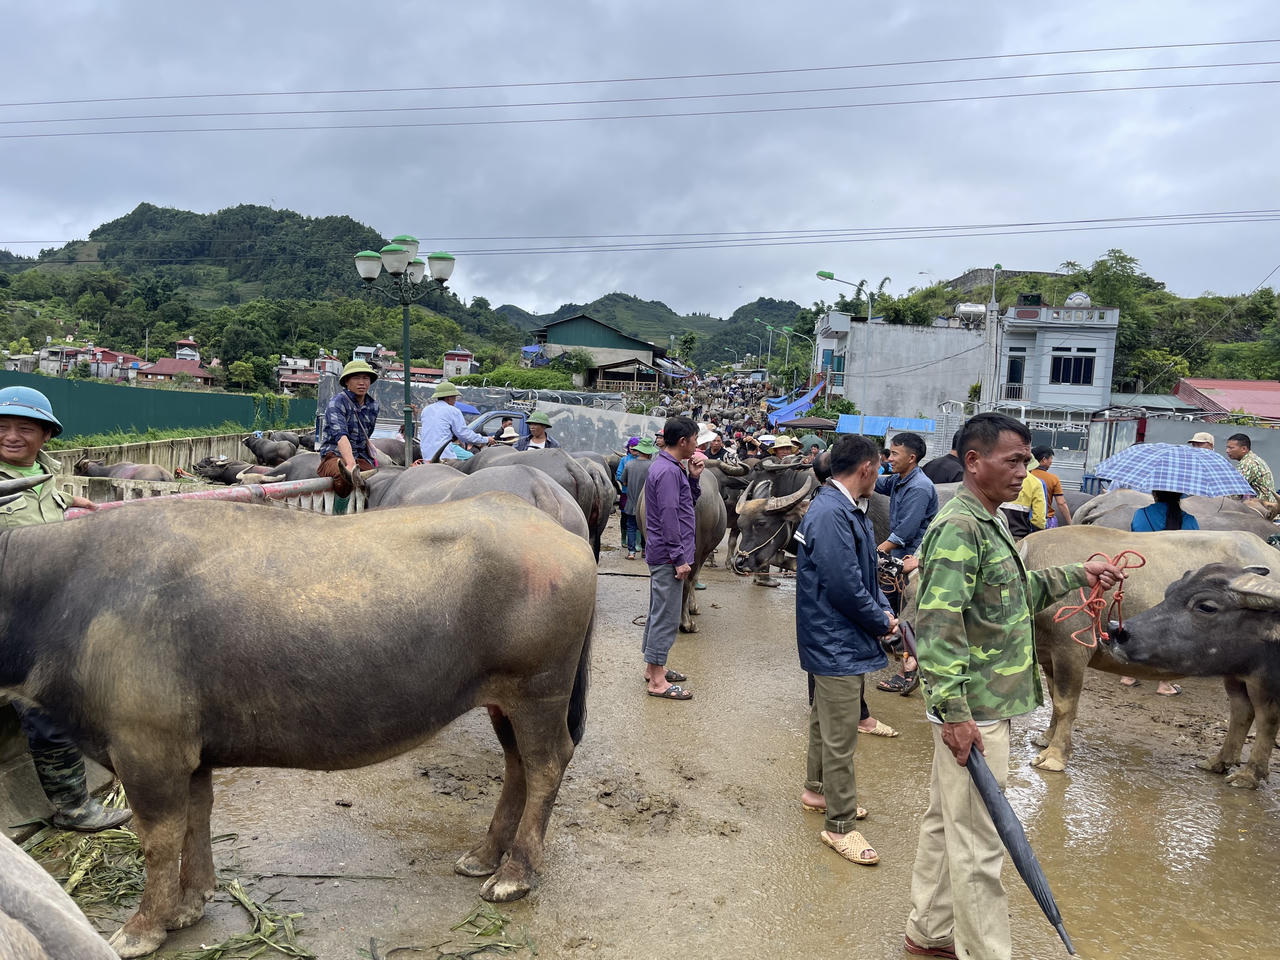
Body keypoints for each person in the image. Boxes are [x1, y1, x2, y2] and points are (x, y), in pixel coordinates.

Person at [904, 412, 1125, 960]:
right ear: (973, 461)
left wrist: (1081, 573)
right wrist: (955, 714)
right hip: (974, 712)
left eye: (1027, 460)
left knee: (945, 823)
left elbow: (1015, 590)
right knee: (982, 844)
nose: (1023, 471)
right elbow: (937, 624)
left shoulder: (992, 520)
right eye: (1014, 460)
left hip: (982, 706)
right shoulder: (959, 527)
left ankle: (929, 930)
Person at [0, 386, 133, 832]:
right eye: (1, 428)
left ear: (45, 436)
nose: (11, 436)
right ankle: (74, 808)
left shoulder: (44, 474)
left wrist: (69, 501)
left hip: (45, 614)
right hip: (9, 622)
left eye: (24, 428)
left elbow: (39, 510)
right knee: (46, 712)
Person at [795, 434, 898, 867]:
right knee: (841, 735)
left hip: (832, 636)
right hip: (835, 638)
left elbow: (863, 577)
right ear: (867, 468)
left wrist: (884, 610)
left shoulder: (836, 507)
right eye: (880, 466)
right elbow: (845, 586)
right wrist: (882, 622)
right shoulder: (834, 513)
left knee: (824, 720)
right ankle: (839, 825)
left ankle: (816, 791)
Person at [642, 416, 703, 700]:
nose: (696, 445)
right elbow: (669, 517)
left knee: (659, 612)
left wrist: (693, 478)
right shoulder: (666, 472)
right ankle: (657, 681)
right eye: (694, 440)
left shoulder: (672, 467)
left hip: (666, 553)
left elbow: (685, 504)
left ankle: (654, 667)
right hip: (668, 555)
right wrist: (679, 558)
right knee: (666, 616)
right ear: (682, 441)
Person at [873, 432, 939, 697]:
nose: (889, 459)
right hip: (901, 557)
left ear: (911, 458)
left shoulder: (919, 487)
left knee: (905, 616)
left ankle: (908, 669)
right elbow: (877, 484)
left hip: (913, 560)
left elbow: (905, 532)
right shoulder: (900, 480)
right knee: (895, 610)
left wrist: (877, 551)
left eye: (894, 454)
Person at [1122, 489, 1197, 695]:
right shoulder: (1189, 520)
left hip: (1142, 576)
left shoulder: (1141, 514)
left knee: (1136, 623)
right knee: (1170, 630)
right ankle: (1164, 683)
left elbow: (1133, 540)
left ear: (1155, 493)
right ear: (1180, 496)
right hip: (1173, 580)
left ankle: (1128, 674)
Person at [318, 360, 380, 515]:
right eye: (356, 378)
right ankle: (338, 515)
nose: (362, 383)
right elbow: (341, 436)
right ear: (346, 381)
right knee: (344, 475)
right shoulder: (337, 403)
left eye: (366, 378)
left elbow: (367, 435)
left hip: (361, 456)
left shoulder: (373, 406)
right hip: (335, 455)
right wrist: (351, 464)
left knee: (381, 479)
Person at [420, 382, 492, 461]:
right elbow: (464, 435)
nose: (455, 401)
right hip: (445, 457)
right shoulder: (453, 410)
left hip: (426, 457)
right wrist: (487, 439)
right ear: (448, 398)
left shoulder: (426, 410)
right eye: (454, 398)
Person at [621, 437, 656, 559]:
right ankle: (645, 551)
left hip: (631, 502)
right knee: (646, 527)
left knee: (631, 527)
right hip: (648, 505)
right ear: (649, 452)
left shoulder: (629, 464)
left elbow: (623, 482)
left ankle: (631, 552)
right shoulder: (653, 466)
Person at [1225, 433, 1275, 502]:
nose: (1227, 451)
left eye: (1231, 448)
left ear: (1244, 449)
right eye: (1227, 447)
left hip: (1261, 508)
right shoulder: (1253, 459)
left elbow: (1236, 491)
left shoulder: (1248, 463)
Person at [1030, 445, 1072, 527]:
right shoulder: (1053, 479)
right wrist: (1070, 523)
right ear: (1044, 460)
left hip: (1025, 519)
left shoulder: (1026, 475)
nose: (1051, 461)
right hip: (1046, 520)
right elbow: (1061, 503)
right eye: (1051, 458)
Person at [999, 470, 1047, 539]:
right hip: (1019, 536)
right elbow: (1038, 520)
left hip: (996, 534)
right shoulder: (1035, 483)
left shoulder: (998, 477)